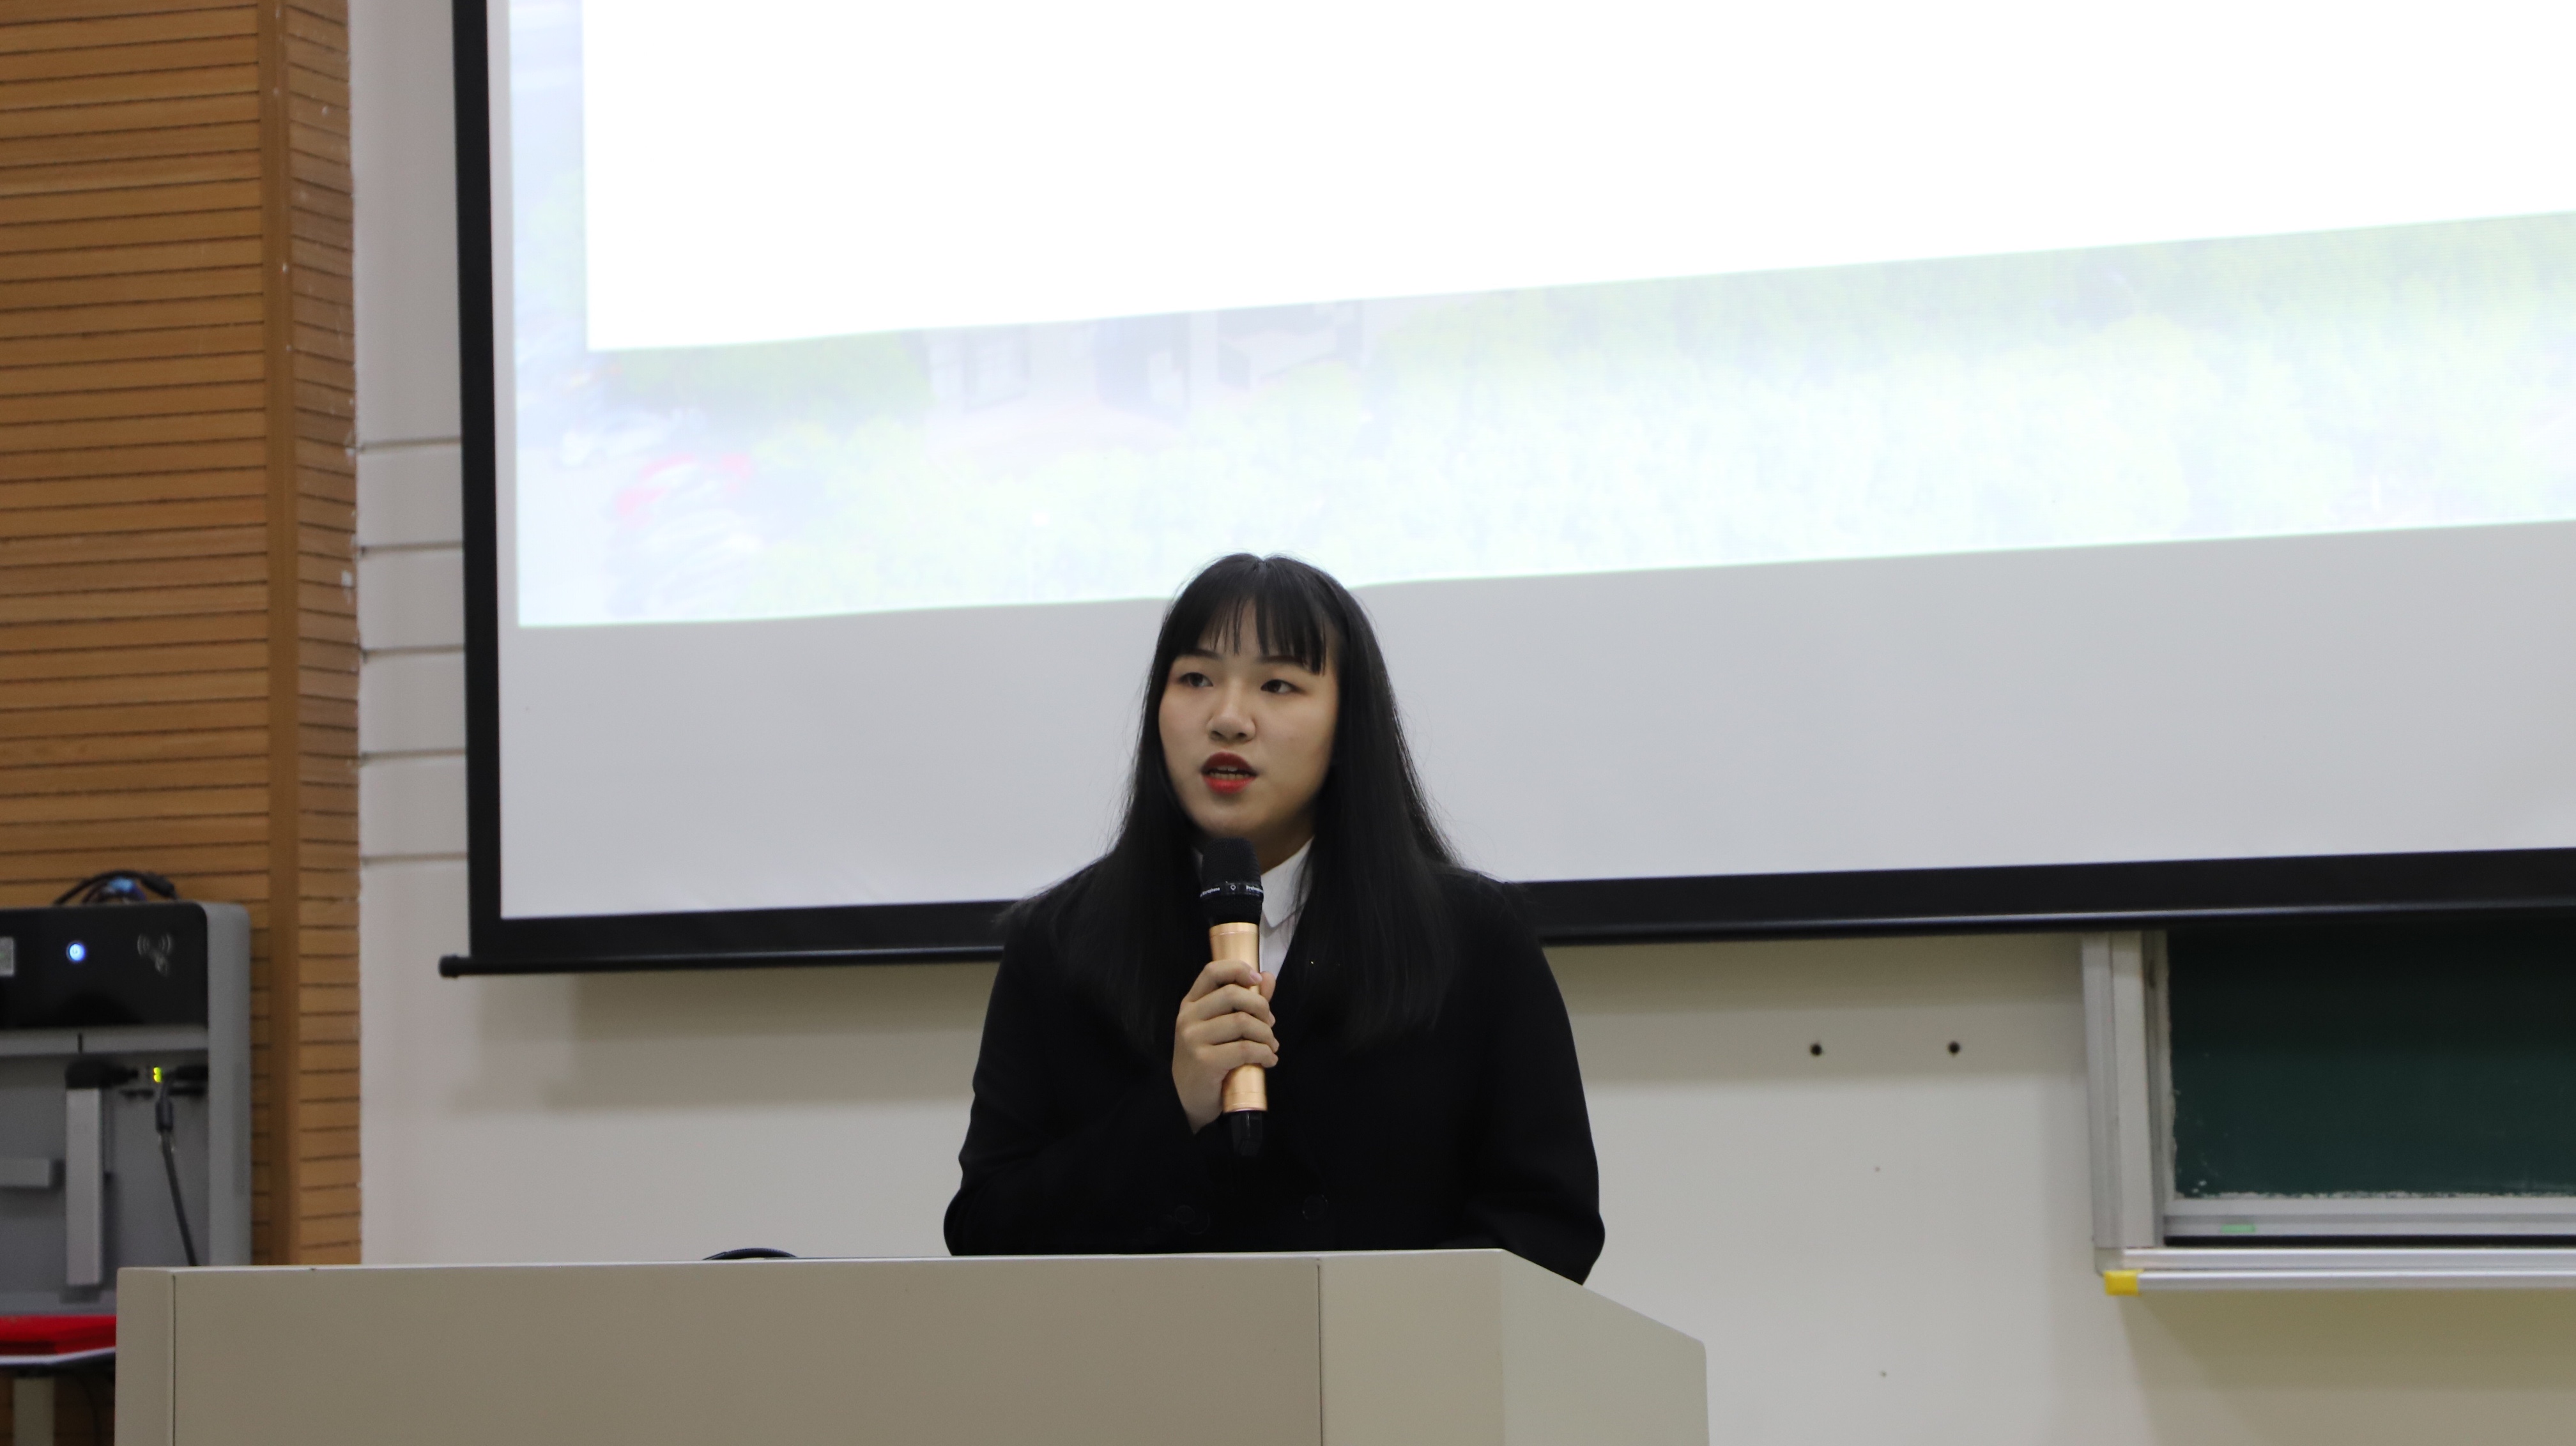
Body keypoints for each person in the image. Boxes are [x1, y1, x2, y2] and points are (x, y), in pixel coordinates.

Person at [942, 554, 1603, 1282]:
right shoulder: (1060, 943)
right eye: (1196, 678)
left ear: (1346, 723)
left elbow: (1548, 1223)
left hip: (1389, 1353)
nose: (1228, 718)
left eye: (1278, 684)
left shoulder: (1470, 938)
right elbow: (985, 1232)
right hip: (1144, 1352)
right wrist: (1173, 1108)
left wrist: (1375, 1327)